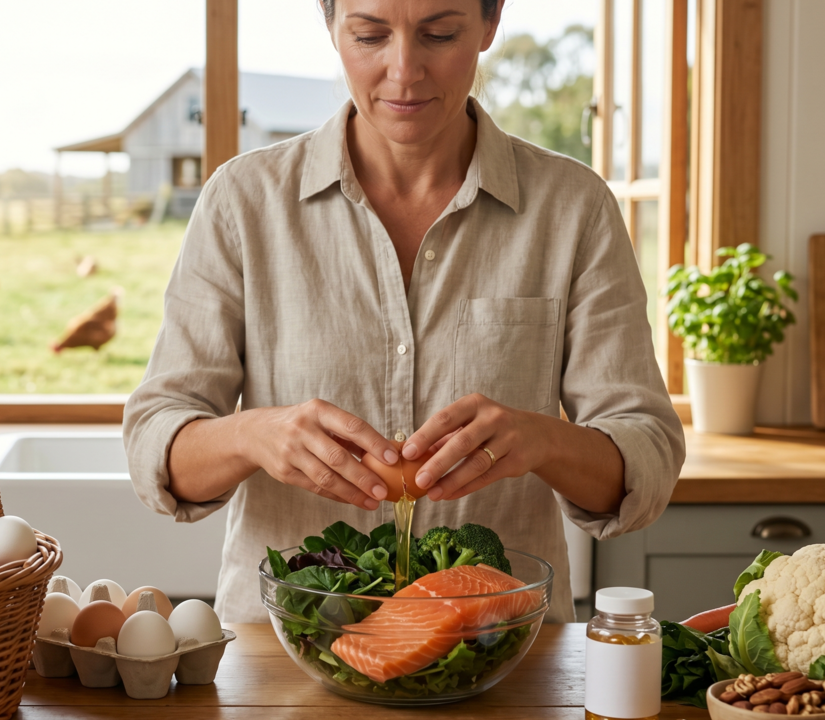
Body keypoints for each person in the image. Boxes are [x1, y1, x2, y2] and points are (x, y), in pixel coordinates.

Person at [123, 0, 685, 623]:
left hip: (499, 656)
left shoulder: (574, 207)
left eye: (439, 34)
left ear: (491, 22)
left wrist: (541, 439)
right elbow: (157, 442)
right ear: (331, 25)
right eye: (369, 36)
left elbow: (647, 456)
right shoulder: (241, 202)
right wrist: (254, 434)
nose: (404, 70)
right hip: (284, 659)